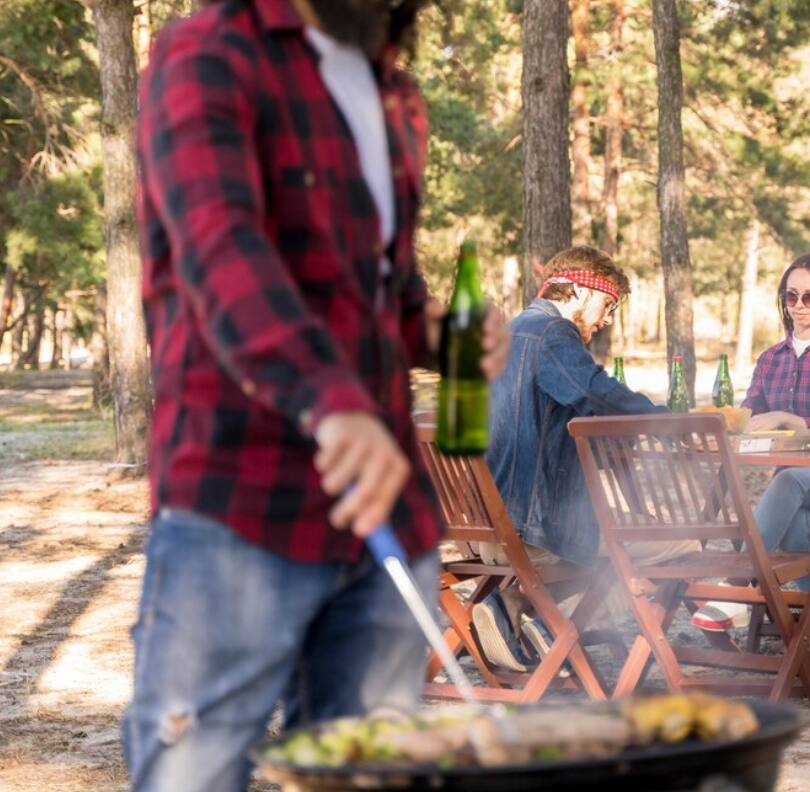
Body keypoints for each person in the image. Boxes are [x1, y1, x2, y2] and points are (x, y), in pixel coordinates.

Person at [123, 2, 509, 790]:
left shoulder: (394, 92)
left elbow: (381, 295)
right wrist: (330, 401)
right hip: (237, 510)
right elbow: (222, 251)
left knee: (366, 777)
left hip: (385, 521)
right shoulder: (208, 52)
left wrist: (438, 334)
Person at [473, 245, 694, 671]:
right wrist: (671, 425)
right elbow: (595, 392)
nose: (608, 318)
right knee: (679, 541)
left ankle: (528, 613)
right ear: (574, 289)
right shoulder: (551, 334)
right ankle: (539, 616)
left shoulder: (510, 331)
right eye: (607, 304)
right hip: (530, 532)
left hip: (486, 528)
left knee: (605, 537)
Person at [689, 254, 810, 664]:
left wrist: (788, 418)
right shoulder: (770, 359)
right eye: (792, 296)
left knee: (786, 482)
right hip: (792, 491)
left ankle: (736, 587)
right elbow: (748, 416)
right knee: (791, 534)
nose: (800, 305)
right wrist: (725, 423)